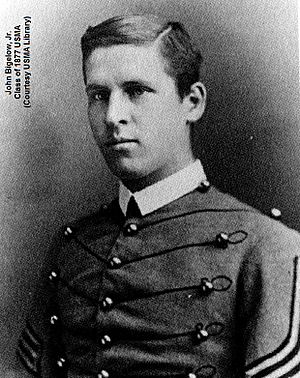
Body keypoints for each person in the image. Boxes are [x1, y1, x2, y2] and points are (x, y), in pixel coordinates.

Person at [17, 14, 300, 378]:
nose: (113, 116)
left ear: (192, 103)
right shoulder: (73, 246)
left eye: (136, 91)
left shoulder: (267, 249)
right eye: (99, 95)